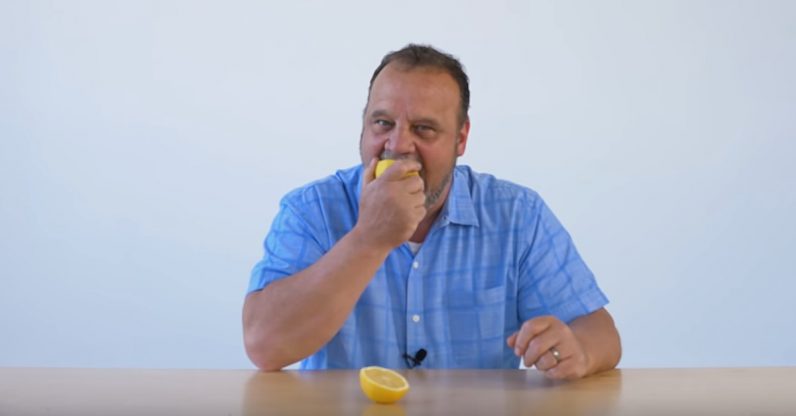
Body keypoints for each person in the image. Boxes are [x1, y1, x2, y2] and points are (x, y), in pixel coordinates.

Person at [243, 44, 621, 380]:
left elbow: (600, 332)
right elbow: (264, 345)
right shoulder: (312, 210)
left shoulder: (518, 215)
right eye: (382, 123)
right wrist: (368, 238)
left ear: (461, 138)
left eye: (423, 129)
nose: (397, 145)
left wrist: (579, 350)